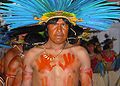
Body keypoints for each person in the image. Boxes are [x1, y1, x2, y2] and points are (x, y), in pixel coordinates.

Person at [22, 18, 92, 86]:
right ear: (47, 27)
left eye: (63, 25)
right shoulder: (33, 54)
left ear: (69, 28)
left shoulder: (80, 53)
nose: (59, 30)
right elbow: (26, 83)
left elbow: (87, 83)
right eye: (54, 24)